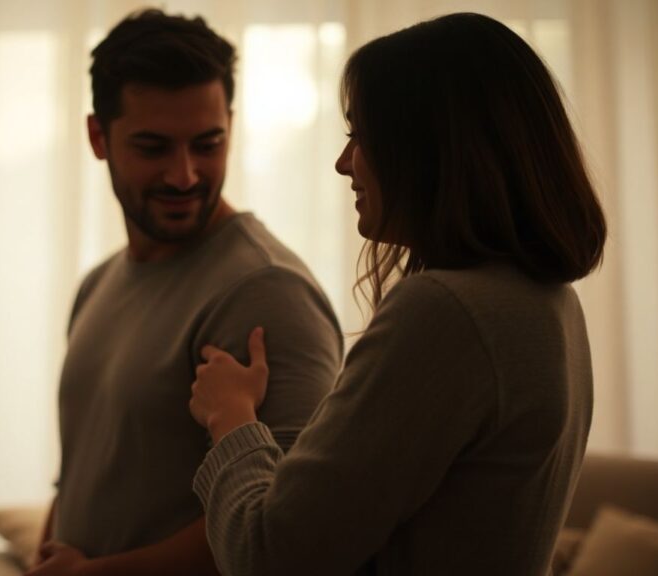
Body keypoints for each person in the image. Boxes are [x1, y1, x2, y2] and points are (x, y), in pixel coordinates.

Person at [189, 12, 607, 576]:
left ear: (430, 149)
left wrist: (230, 415)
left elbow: (269, 555)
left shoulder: (446, 313)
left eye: (359, 136)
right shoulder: (552, 306)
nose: (344, 164)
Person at [25, 9, 343, 576]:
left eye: (207, 143)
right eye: (153, 147)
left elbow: (294, 526)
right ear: (98, 137)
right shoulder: (98, 284)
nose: (185, 175)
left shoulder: (266, 292)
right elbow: (81, 474)